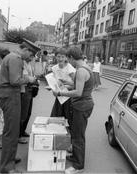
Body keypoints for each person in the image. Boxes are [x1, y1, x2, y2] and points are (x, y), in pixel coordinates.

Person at [0, 38, 40, 173]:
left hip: (10, 95)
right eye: (31, 54)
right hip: (11, 96)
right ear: (26, 50)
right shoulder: (16, 58)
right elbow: (15, 81)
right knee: (12, 132)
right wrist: (29, 79)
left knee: (11, 130)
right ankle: (7, 167)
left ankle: (9, 158)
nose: (31, 58)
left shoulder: (12, 57)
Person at [52, 46, 94, 174]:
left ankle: (78, 166)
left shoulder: (81, 71)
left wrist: (60, 93)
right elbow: (79, 86)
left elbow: (78, 92)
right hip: (83, 105)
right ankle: (75, 156)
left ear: (71, 57)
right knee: (76, 133)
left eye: (68, 59)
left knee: (78, 136)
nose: (68, 62)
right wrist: (67, 83)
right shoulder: (85, 67)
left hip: (82, 106)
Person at [50, 47, 76, 129]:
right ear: (55, 57)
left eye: (62, 56)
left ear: (66, 57)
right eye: (58, 56)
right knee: (56, 117)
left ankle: (68, 137)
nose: (60, 59)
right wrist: (51, 87)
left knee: (68, 117)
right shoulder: (54, 68)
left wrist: (65, 86)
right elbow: (54, 83)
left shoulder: (70, 68)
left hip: (68, 96)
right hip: (59, 97)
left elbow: (75, 84)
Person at [18, 53, 38, 144]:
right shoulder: (23, 63)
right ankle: (18, 135)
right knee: (23, 114)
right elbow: (26, 78)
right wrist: (33, 79)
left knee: (28, 113)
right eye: (31, 56)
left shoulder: (29, 63)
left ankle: (22, 131)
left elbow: (31, 77)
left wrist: (33, 79)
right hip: (25, 89)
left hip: (30, 89)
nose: (32, 58)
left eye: (33, 56)